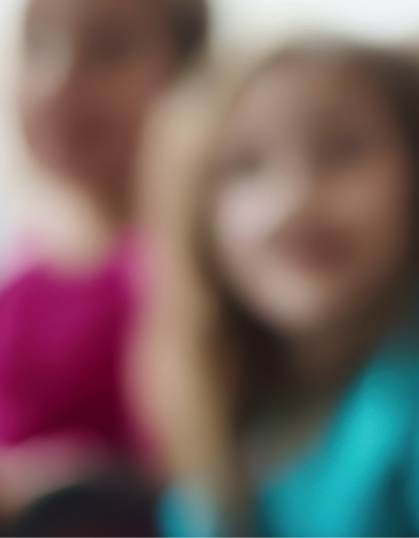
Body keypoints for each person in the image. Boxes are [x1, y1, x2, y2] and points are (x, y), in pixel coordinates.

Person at [139, 39, 419, 536]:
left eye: (342, 150)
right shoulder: (228, 403)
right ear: (196, 220)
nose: (296, 200)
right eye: (245, 166)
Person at [0, 0, 206, 522]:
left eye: (111, 49)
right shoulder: (20, 276)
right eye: (39, 45)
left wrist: (46, 484)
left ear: (188, 75)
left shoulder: (190, 269)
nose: (62, 78)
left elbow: (197, 475)